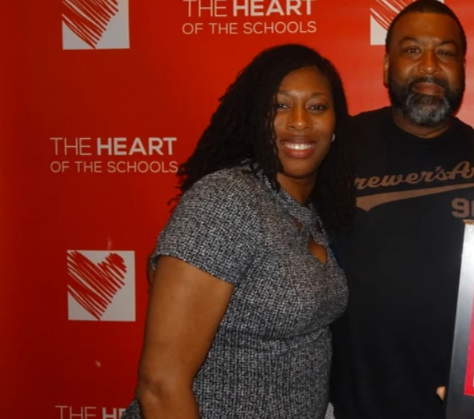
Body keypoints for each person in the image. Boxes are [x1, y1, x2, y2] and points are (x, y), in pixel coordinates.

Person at [123, 44, 356, 419]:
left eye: (316, 107)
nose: (300, 121)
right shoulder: (227, 200)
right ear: (254, 118)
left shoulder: (312, 212)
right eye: (280, 106)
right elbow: (161, 386)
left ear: (335, 126)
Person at [329, 0, 474, 419]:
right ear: (386, 65)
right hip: (357, 407)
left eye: (445, 53)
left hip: (469, 409)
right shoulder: (335, 151)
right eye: (412, 50)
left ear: (463, 67)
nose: (429, 66)